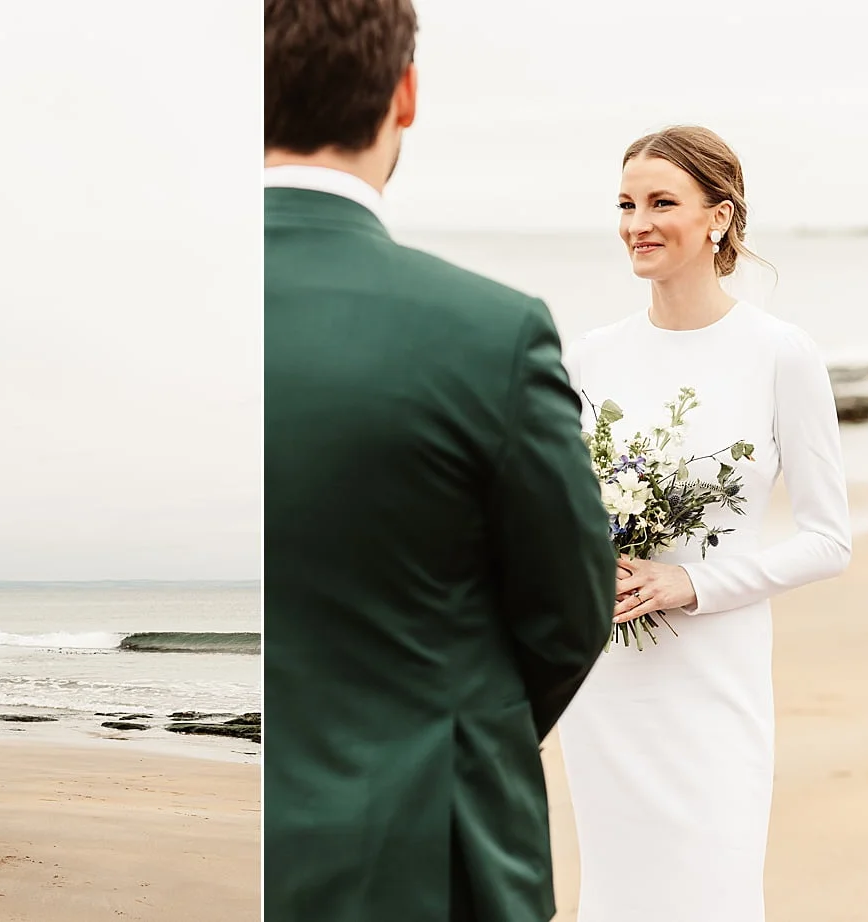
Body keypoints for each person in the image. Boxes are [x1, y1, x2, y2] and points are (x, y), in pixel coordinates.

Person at [263, 1, 617, 918]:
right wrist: (456, 733)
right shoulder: (487, 333)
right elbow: (571, 612)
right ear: (404, 93)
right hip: (414, 850)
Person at [554, 126, 853, 922]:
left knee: (709, 889)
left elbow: (830, 539)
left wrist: (694, 583)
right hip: (608, 682)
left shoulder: (781, 354)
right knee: (614, 892)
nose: (636, 223)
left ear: (719, 218)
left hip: (713, 681)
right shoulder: (589, 356)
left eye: (661, 202)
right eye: (625, 203)